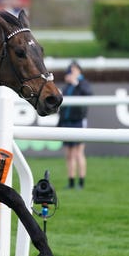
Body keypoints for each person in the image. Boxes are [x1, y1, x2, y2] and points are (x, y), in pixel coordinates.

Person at [57, 61, 92, 189]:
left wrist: (75, 83)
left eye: (73, 70)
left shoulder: (83, 83)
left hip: (78, 121)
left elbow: (88, 93)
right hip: (67, 122)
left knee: (78, 153)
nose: (71, 73)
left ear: (79, 70)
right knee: (69, 154)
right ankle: (71, 181)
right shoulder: (67, 86)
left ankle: (81, 182)